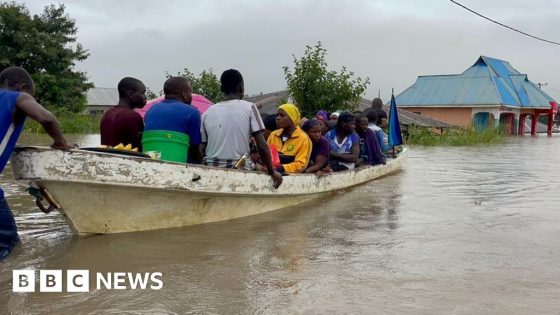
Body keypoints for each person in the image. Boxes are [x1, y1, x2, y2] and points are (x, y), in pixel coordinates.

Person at [0, 66, 73, 260]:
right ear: (23, 88)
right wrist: (61, 144)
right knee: (9, 243)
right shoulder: (17, 97)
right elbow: (47, 119)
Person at [201, 69, 282, 188]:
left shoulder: (207, 112)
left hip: (211, 167)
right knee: (254, 165)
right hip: (238, 167)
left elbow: (201, 148)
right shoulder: (250, 107)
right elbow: (262, 146)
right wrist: (271, 171)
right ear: (241, 87)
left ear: (222, 89)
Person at [143, 77, 202, 163]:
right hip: (179, 165)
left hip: (152, 162)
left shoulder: (151, 110)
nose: (190, 96)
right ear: (184, 93)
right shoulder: (192, 112)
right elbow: (195, 149)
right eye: (190, 92)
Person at [100, 77, 146, 150]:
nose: (145, 97)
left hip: (106, 158)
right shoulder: (133, 116)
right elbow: (140, 147)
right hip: (127, 160)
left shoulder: (107, 114)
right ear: (131, 94)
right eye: (143, 93)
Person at [267, 104, 312, 174]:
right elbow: (267, 156)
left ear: (292, 117)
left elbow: (301, 165)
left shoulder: (303, 138)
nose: (277, 118)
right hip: (270, 176)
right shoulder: (273, 135)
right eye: (277, 115)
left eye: (282, 115)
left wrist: (281, 168)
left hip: (291, 180)